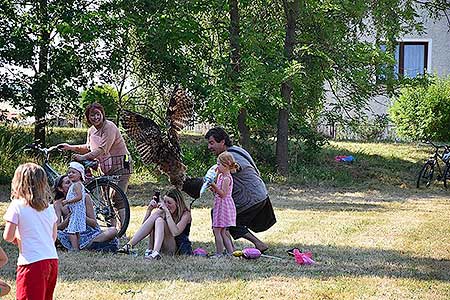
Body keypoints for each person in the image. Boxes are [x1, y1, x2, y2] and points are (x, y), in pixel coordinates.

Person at [58, 102, 131, 232]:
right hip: (105, 167)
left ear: (103, 114)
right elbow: (88, 147)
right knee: (107, 200)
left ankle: (122, 230)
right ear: (88, 117)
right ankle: (112, 230)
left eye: (98, 114)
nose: (96, 118)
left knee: (117, 197)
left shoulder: (110, 127)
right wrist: (70, 147)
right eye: (92, 115)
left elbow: (102, 149)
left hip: (120, 164)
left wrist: (83, 157)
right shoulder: (91, 130)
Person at [205, 127, 276, 252]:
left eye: (212, 143)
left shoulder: (230, 157)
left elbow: (234, 168)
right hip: (261, 193)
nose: (209, 147)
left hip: (251, 197)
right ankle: (231, 248)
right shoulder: (238, 150)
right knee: (227, 219)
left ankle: (253, 244)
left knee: (225, 219)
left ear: (222, 142)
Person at [3, 163, 58, 300]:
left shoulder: (17, 205)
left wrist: (18, 238)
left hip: (31, 263)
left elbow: (8, 236)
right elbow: (53, 237)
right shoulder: (49, 208)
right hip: (51, 260)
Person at [118, 189, 192, 259]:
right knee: (158, 217)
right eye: (165, 202)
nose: (166, 205)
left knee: (159, 220)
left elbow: (175, 232)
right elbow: (145, 228)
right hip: (161, 247)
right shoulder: (163, 211)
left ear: (178, 203)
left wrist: (167, 212)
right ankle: (130, 245)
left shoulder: (185, 214)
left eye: (169, 203)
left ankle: (155, 252)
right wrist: (149, 210)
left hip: (176, 248)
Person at [53, 175, 118, 251]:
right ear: (60, 189)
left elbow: (94, 224)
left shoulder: (85, 197)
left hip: (89, 233)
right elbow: (57, 227)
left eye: (72, 182)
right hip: (71, 234)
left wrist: (81, 216)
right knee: (54, 234)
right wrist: (68, 220)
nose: (72, 184)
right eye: (68, 183)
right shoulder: (58, 204)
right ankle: (95, 246)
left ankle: (88, 245)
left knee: (113, 230)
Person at [209, 151, 238, 257]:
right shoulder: (221, 176)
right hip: (220, 205)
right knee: (222, 231)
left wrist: (215, 186)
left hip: (224, 206)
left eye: (219, 164)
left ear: (226, 165)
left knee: (217, 230)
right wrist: (213, 188)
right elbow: (218, 191)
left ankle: (219, 253)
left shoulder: (226, 178)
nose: (217, 166)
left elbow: (223, 194)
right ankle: (231, 252)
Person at [63, 162, 87, 250]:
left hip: (77, 211)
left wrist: (67, 201)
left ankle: (75, 249)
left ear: (80, 174)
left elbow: (79, 197)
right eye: (69, 172)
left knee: (71, 231)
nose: (70, 174)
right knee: (76, 230)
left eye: (73, 172)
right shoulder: (75, 184)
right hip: (76, 211)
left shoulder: (77, 185)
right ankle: (78, 246)